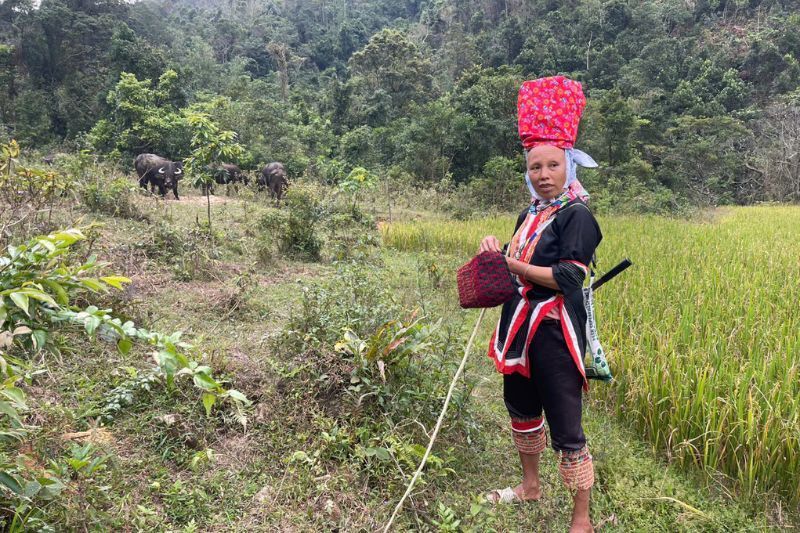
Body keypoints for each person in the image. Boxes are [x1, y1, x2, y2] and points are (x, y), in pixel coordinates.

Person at [480, 76, 602, 533]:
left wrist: (512, 265)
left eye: (552, 165)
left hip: (554, 329)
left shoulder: (578, 215)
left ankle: (581, 519)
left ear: (569, 167)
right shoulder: (530, 213)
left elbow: (570, 276)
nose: (543, 175)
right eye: (535, 167)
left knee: (566, 422)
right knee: (522, 406)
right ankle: (530, 486)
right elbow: (517, 254)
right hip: (518, 323)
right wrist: (497, 250)